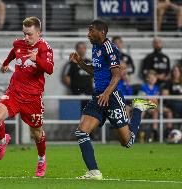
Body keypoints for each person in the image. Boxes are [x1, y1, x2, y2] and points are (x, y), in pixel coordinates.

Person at [69, 19, 157, 180]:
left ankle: (137, 107)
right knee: (81, 132)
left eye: (91, 31)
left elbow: (117, 75)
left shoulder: (110, 48)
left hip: (112, 98)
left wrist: (107, 93)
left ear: (102, 32)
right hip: (98, 97)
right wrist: (80, 63)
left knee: (127, 142)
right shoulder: (95, 47)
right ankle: (94, 172)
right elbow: (96, 72)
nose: (88, 34)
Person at [0, 17, 54, 177]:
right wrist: (6, 62)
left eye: (30, 34)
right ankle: (3, 139)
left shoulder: (45, 48)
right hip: (14, 93)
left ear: (39, 33)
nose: (26, 38)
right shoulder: (19, 43)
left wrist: (36, 59)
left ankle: (41, 160)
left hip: (33, 98)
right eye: (24, 34)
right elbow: (14, 52)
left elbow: (50, 69)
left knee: (37, 133)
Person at [62, 41, 93, 110]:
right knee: (76, 114)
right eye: (79, 48)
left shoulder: (90, 62)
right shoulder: (71, 63)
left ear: (86, 49)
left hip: (89, 93)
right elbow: (67, 77)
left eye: (83, 48)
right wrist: (73, 89)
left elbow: (93, 77)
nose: (81, 50)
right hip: (76, 93)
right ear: (76, 49)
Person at [138, 70, 160, 142]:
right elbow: (142, 99)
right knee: (142, 111)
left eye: (154, 78)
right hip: (144, 105)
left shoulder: (157, 88)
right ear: (147, 79)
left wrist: (150, 99)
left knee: (155, 112)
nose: (153, 79)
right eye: (151, 78)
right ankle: (138, 129)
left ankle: (155, 131)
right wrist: (150, 99)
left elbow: (156, 100)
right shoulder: (143, 87)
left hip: (152, 106)